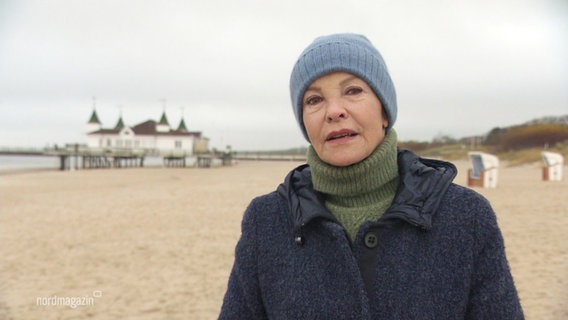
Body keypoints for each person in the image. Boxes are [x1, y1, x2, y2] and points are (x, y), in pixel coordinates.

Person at [218, 33, 524, 319]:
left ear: (385, 111)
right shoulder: (266, 220)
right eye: (314, 100)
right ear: (304, 124)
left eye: (353, 91)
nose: (334, 111)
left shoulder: (466, 216)